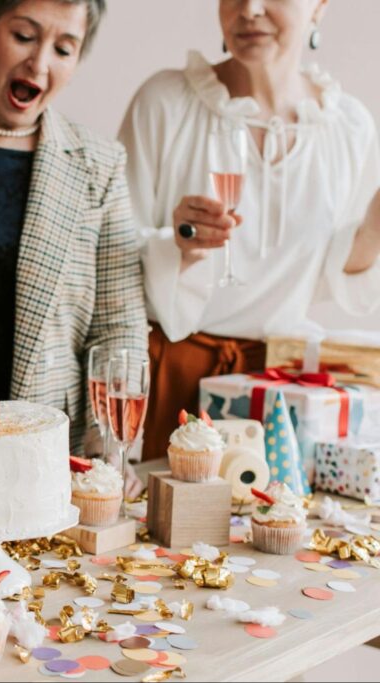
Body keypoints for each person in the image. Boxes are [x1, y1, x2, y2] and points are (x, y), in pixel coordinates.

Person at [120, 0, 380, 461]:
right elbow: (113, 253)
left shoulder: (349, 126)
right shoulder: (166, 101)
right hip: (175, 370)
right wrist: (183, 247)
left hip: (282, 384)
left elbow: (333, 277)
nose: (250, 9)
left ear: (319, 7)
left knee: (275, 524)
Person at [0, 0, 146, 493]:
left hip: (42, 447)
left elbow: (118, 326)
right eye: (25, 36)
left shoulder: (99, 163)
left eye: (63, 48)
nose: (39, 64)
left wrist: (111, 444)